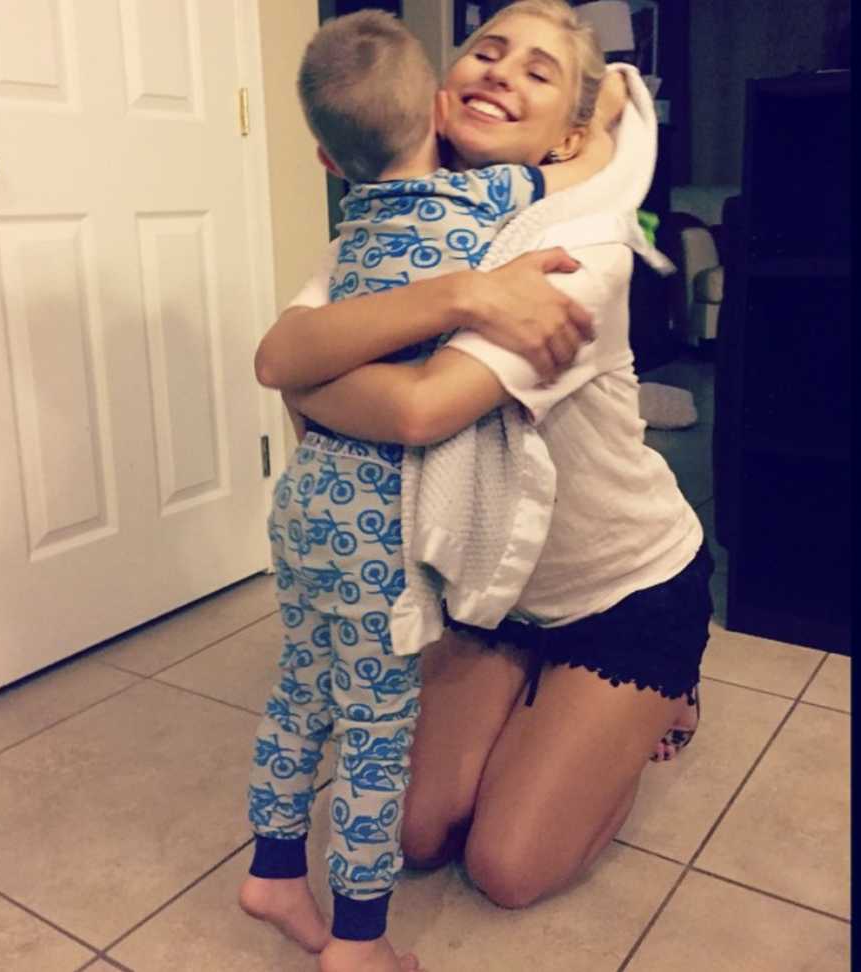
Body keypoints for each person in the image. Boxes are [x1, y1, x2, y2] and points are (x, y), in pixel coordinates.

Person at [257, 0, 713, 939]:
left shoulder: (580, 247)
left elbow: (416, 409)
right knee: (419, 834)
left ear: (568, 137)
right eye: (487, 51)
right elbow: (278, 356)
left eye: (540, 72)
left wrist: (317, 384)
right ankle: (539, 705)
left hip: (624, 590)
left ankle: (657, 700)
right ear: (435, 90)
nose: (503, 71)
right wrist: (460, 293)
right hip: (490, 596)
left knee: (507, 866)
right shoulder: (386, 231)